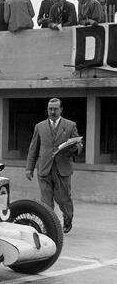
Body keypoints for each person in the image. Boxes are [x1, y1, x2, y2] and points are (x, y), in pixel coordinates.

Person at [25, 98, 83, 234]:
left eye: (55, 109)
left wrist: (75, 148)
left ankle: (68, 219)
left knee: (64, 200)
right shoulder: (39, 126)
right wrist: (29, 168)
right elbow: (33, 148)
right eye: (50, 109)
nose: (52, 112)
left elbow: (79, 144)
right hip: (44, 169)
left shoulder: (70, 125)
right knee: (46, 202)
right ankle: (48, 226)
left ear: (61, 109)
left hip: (62, 169)